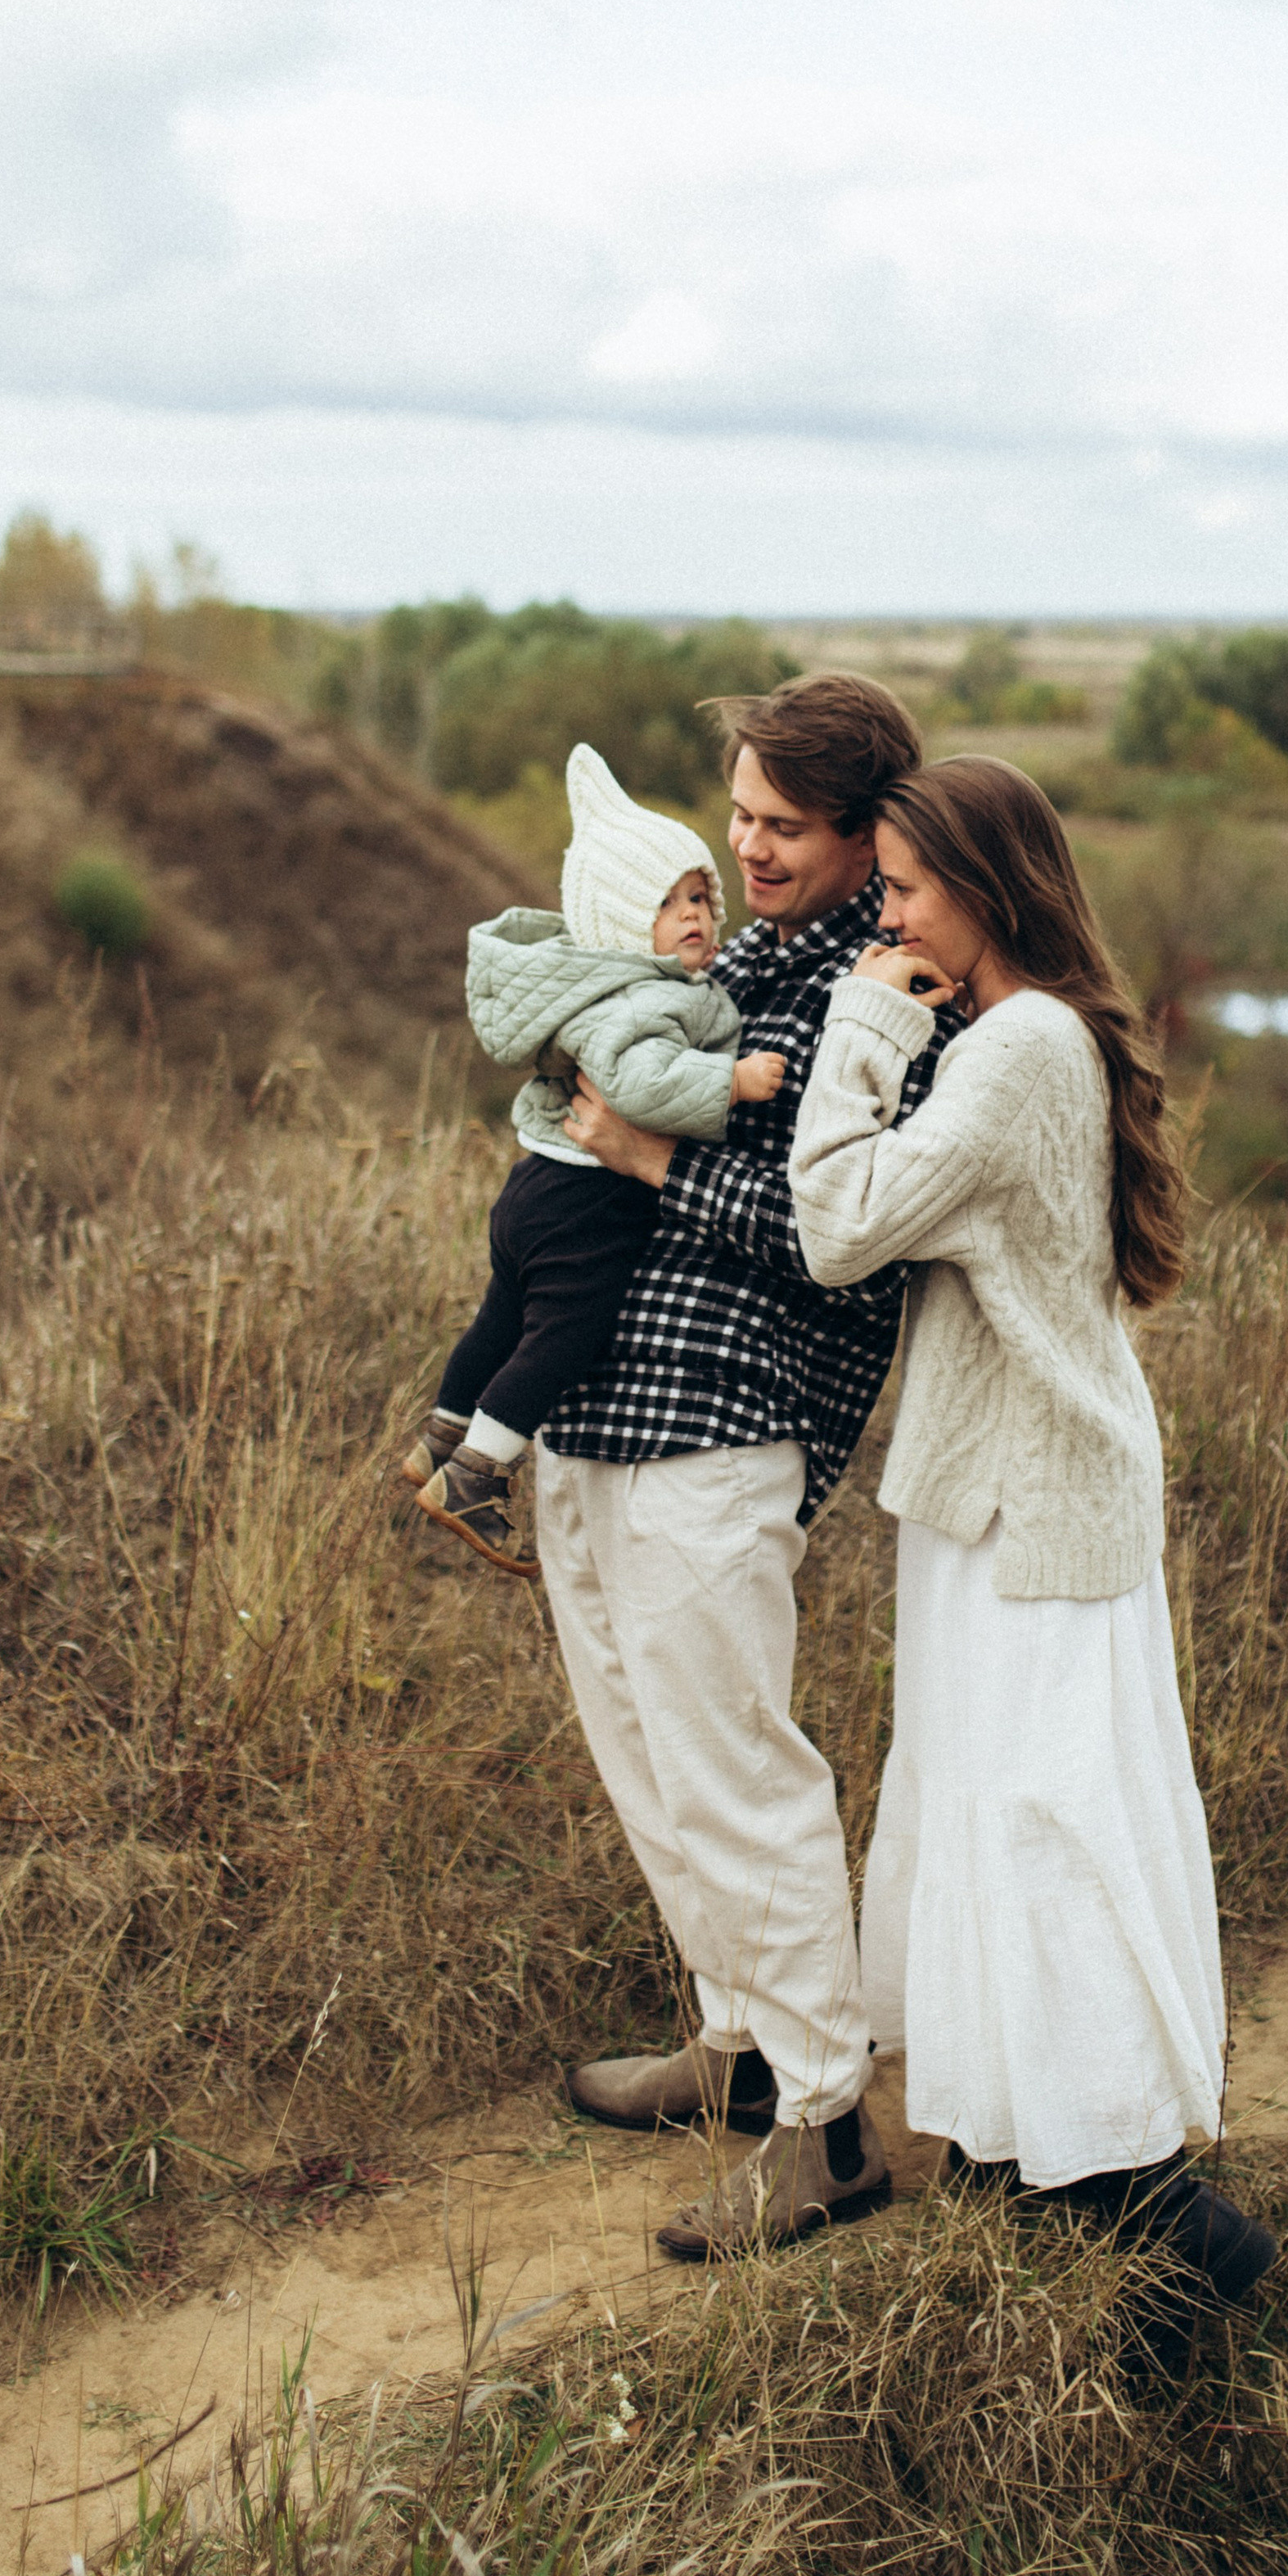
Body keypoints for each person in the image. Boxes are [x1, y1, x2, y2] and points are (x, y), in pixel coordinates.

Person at [789, 751, 1277, 2349]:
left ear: (986, 892)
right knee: (1001, 1809)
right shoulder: (1029, 1033)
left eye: (912, 886)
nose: (888, 911)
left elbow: (836, 1221)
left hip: (1035, 1508)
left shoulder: (1009, 1049)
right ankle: (1033, 2144)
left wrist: (865, 1026)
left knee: (1042, 1821)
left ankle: (1140, 2200)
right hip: (1013, 1492)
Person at [535, 674, 965, 2258]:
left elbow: (829, 1239)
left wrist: (652, 1156)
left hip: (728, 1423)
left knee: (733, 1763)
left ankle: (828, 2127)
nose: (746, 846)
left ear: (870, 835)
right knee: (644, 1747)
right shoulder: (734, 957)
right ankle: (735, 2040)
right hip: (603, 1403)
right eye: (736, 813)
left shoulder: (894, 993)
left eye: (783, 825)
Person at [403, 743, 788, 1572]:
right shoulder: (642, 998)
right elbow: (638, 1085)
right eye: (668, 903)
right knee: (564, 1333)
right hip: (587, 1201)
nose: (695, 915)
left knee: (502, 1316)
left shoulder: (598, 984)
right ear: (619, 922)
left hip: (533, 1189)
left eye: (700, 896)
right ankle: (478, 1472)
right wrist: (733, 1080)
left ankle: (441, 1436)